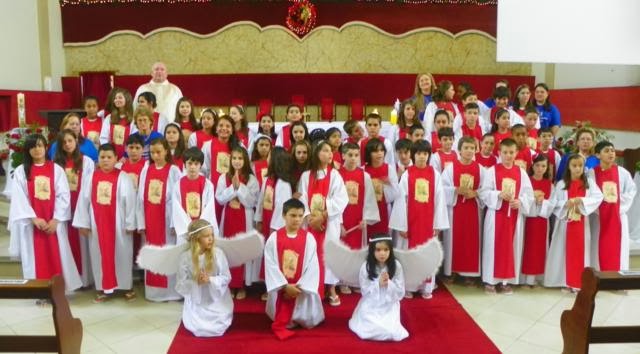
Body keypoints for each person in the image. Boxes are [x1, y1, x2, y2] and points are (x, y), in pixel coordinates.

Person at [8, 134, 82, 293]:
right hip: (33, 225)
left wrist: (56, 219)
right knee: (36, 258)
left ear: (46, 147)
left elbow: (64, 196)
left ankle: (59, 290)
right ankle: (39, 291)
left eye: (40, 145)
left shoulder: (56, 169)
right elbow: (19, 198)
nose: (37, 149)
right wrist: (33, 218)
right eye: (33, 146)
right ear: (28, 150)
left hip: (53, 223)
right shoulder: (21, 171)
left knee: (57, 254)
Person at [73, 144, 137, 303]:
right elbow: (83, 201)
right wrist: (83, 223)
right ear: (98, 159)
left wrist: (130, 224)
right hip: (97, 224)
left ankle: (126, 286)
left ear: (116, 159)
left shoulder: (123, 177)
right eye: (102, 157)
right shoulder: (91, 177)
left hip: (119, 225)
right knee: (98, 255)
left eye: (109, 157)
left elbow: (131, 202)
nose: (106, 160)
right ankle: (102, 288)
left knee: (122, 254)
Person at [389, 140, 449, 299]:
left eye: (425, 154)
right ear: (413, 155)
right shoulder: (408, 174)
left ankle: (426, 286)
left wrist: (437, 223)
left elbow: (439, 199)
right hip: (411, 221)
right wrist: (402, 225)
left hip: (428, 222)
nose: (422, 157)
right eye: (418, 154)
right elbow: (401, 200)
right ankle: (409, 286)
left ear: (429, 155)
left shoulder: (435, 174)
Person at [479, 138, 534, 294]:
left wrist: (521, 202)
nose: (508, 155)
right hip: (496, 215)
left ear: (516, 153)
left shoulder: (521, 173)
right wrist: (498, 194)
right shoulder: (491, 171)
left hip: (514, 217)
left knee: (512, 247)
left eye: (511, 152)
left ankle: (506, 281)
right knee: (492, 247)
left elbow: (528, 195)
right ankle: (490, 281)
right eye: (505, 152)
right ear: (499, 153)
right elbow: (483, 192)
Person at [264, 198, 324, 340]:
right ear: (284, 215)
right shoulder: (274, 238)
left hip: (300, 289)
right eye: (292, 215)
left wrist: (298, 287)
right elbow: (270, 264)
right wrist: (284, 286)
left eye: (300, 216)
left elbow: (312, 266)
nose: (297, 219)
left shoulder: (309, 238)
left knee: (304, 314)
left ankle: (300, 316)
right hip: (282, 289)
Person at [297, 141, 348, 305]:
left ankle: (331, 287)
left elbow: (341, 198)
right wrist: (310, 218)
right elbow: (303, 198)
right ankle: (311, 287)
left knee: (329, 255)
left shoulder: (335, 175)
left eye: (331, 151)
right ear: (317, 154)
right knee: (310, 254)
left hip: (329, 222)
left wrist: (323, 216)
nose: (330, 153)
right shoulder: (306, 176)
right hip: (310, 224)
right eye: (325, 150)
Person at [545, 155, 603, 292]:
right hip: (564, 224)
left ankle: (578, 282)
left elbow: (598, 197)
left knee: (581, 251)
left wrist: (582, 202)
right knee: (563, 250)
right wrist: (565, 203)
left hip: (582, 225)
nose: (577, 169)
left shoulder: (589, 183)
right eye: (574, 166)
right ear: (569, 167)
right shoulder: (561, 184)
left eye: (580, 166)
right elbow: (553, 203)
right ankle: (565, 281)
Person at [137, 138, 183, 301]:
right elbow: (140, 198)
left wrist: (175, 222)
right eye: (153, 152)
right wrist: (141, 222)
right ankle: (154, 292)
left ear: (166, 152)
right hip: (150, 218)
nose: (156, 156)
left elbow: (179, 198)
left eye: (159, 152)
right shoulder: (146, 170)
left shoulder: (174, 171)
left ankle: (171, 292)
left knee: (168, 252)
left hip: (167, 218)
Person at [175, 219, 233, 337]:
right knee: (197, 325)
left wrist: (210, 280)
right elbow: (180, 284)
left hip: (216, 298)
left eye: (212, 235)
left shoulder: (218, 253)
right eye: (206, 236)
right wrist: (195, 283)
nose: (211, 238)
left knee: (220, 320)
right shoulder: (185, 257)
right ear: (196, 239)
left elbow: (226, 277)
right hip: (197, 300)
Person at [215, 146, 260, 299]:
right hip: (228, 218)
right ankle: (230, 284)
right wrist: (232, 188)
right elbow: (220, 198)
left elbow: (252, 201)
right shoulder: (223, 177)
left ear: (245, 160)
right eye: (234, 158)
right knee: (228, 250)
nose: (237, 161)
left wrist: (239, 187)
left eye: (240, 158)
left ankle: (241, 285)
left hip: (245, 218)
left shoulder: (251, 178)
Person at [53, 129, 95, 287]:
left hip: (81, 206)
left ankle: (85, 280)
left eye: (70, 140)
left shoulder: (87, 162)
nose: (67, 144)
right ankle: (70, 280)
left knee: (83, 244)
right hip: (64, 209)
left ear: (76, 141)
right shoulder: (56, 164)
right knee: (67, 243)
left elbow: (90, 187)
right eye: (64, 142)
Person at [588, 141, 637, 272]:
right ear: (597, 155)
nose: (611, 153)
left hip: (618, 215)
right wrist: (600, 206)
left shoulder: (623, 173)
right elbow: (590, 194)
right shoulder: (592, 174)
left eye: (612, 150)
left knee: (619, 247)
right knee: (597, 246)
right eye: (606, 151)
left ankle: (618, 277)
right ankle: (598, 277)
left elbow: (631, 191)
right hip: (599, 217)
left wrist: (618, 205)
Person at [441, 137, 484, 284]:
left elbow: (487, 189)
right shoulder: (450, 168)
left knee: (471, 241)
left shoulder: (481, 169)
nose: (469, 151)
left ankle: (469, 273)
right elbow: (442, 189)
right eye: (466, 148)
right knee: (454, 240)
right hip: (455, 210)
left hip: (473, 210)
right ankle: (451, 271)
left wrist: (476, 193)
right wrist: (455, 190)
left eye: (472, 148)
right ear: (459, 150)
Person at [348, 236, 408, 341]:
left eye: (386, 250)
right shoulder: (366, 266)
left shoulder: (396, 265)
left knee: (391, 332)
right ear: (372, 251)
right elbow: (365, 291)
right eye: (378, 250)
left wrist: (389, 283)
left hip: (389, 303)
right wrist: (378, 284)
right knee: (368, 329)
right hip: (371, 303)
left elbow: (400, 291)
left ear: (390, 250)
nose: (382, 253)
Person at [339, 143, 380, 252]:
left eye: (356, 155)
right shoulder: (337, 175)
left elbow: (369, 199)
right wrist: (338, 224)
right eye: (350, 155)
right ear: (343, 156)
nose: (353, 158)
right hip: (341, 221)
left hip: (358, 223)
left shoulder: (364, 176)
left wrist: (365, 219)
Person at [522, 154, 555, 287]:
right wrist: (532, 201)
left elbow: (552, 203)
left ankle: (537, 276)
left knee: (539, 248)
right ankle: (525, 278)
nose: (540, 169)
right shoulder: (527, 182)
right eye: (537, 165)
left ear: (547, 168)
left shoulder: (549, 185)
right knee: (527, 247)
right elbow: (523, 198)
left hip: (541, 221)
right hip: (528, 220)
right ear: (532, 166)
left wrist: (543, 203)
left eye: (543, 166)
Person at [172, 147, 219, 241]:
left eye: (196, 164)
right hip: (185, 231)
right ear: (184, 164)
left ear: (201, 165)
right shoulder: (178, 185)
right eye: (189, 163)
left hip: (202, 229)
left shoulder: (207, 184)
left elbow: (209, 208)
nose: (192, 167)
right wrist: (189, 228)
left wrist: (199, 228)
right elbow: (177, 209)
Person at [363, 139, 399, 238]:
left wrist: (387, 185)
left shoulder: (389, 169)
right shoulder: (363, 170)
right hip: (367, 212)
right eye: (375, 151)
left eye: (381, 150)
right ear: (369, 153)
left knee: (382, 238)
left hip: (384, 210)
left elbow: (396, 193)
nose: (379, 153)